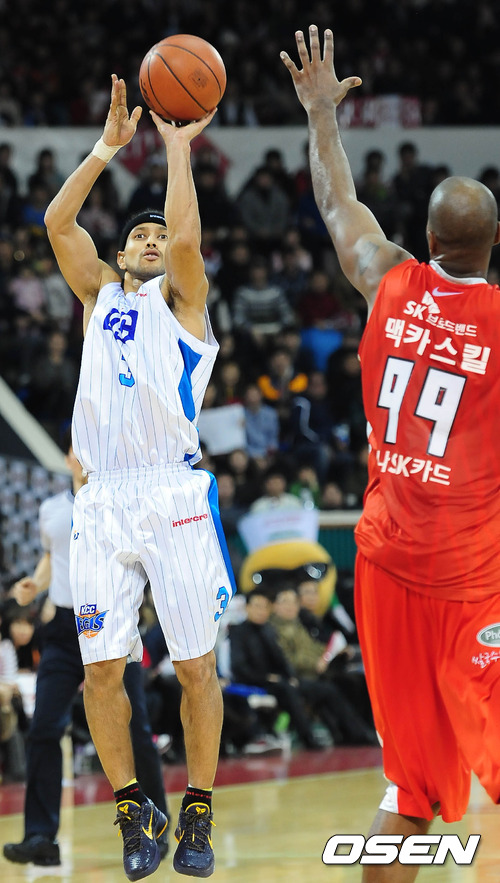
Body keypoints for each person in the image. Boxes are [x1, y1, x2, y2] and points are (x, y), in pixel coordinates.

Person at [282, 25, 500, 881]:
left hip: (384, 568)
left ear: (428, 237)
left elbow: (337, 201)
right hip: (469, 578)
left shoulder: (388, 281)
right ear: (492, 244)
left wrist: (321, 114)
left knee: (408, 789)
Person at [44, 75, 235, 880]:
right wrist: (106, 149)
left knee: (194, 666)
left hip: (172, 491)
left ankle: (198, 808)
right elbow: (58, 223)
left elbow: (187, 239)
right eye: (140, 235)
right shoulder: (98, 296)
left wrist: (178, 148)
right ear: (119, 255)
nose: (154, 240)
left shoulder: (183, 303)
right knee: (100, 669)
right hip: (102, 499)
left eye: (160, 233)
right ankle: (132, 807)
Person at [3, 435, 170, 867]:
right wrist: (35, 584)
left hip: (111, 623)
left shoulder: (121, 503)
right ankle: (40, 836)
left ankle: (155, 825)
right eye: (77, 448)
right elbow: (52, 557)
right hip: (62, 629)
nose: (84, 456)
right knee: (44, 728)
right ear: (67, 458)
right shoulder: (51, 509)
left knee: (134, 728)